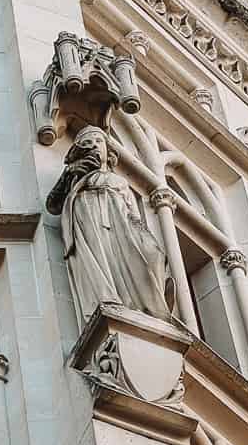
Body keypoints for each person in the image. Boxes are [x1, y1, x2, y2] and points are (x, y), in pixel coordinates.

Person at [46, 125, 174, 325]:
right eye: (87, 144)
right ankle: (109, 302)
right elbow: (52, 205)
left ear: (107, 149)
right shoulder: (76, 178)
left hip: (121, 223)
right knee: (99, 260)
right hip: (88, 217)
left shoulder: (119, 181)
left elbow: (133, 212)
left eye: (98, 142)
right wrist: (69, 174)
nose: (94, 146)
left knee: (153, 254)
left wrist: (143, 235)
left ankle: (153, 303)